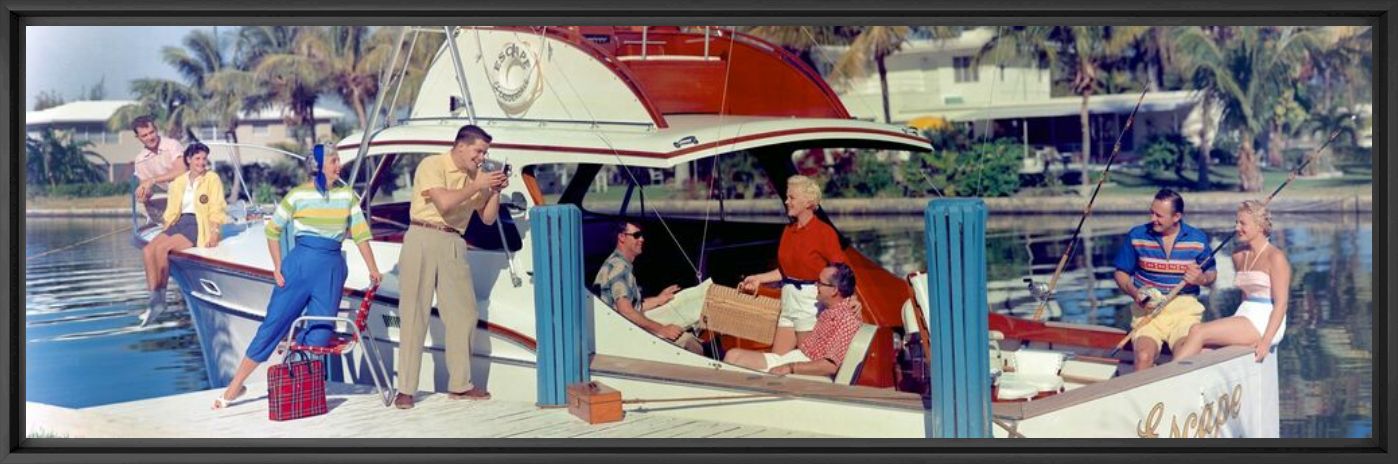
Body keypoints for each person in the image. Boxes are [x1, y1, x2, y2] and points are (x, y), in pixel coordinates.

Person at [212, 146, 383, 409]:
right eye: (333, 161)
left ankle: (305, 384)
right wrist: (277, 267)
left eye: (338, 160)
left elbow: (360, 233)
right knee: (272, 325)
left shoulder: (347, 195)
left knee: (321, 334)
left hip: (332, 269)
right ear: (317, 167)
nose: (339, 166)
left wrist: (373, 268)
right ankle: (235, 386)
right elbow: (272, 230)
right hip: (299, 265)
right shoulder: (297, 195)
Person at [393, 125, 508, 410]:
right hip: (422, 235)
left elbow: (489, 219)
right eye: (478, 150)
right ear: (460, 146)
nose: (482, 157)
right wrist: (478, 185)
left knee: (465, 314)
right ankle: (406, 389)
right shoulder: (432, 164)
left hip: (454, 242)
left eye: (485, 152)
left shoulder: (477, 178)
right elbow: (444, 203)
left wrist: (493, 191)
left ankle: (460, 384)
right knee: (414, 313)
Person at [737, 175, 848, 354]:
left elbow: (841, 273)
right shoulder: (788, 231)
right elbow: (785, 271)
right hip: (787, 299)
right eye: (787, 197)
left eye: (791, 198)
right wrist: (759, 278)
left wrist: (850, 301)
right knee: (777, 358)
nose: (787, 202)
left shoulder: (824, 233)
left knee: (809, 358)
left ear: (807, 202)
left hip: (809, 301)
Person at [1171, 201, 1290, 363]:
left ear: (1260, 226)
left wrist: (1265, 341)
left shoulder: (1275, 257)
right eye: (1236, 222)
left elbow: (1281, 304)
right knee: (1198, 348)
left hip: (1264, 320)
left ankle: (1166, 377)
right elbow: (1244, 294)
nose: (1236, 228)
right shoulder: (1238, 255)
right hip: (1244, 314)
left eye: (1243, 223)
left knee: (1198, 331)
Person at [1112, 188, 1217, 370]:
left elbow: (1212, 275)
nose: (1153, 219)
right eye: (1151, 212)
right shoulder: (1137, 235)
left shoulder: (1198, 239)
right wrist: (1134, 293)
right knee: (1144, 356)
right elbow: (1120, 273)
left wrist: (1200, 278)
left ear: (1176, 217)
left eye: (1159, 215)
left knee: (1183, 359)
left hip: (1184, 312)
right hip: (1147, 313)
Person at [139, 142, 226, 327]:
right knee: (148, 250)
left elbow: (217, 207)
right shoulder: (179, 182)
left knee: (163, 250)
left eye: (204, 158)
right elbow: (172, 210)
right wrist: (166, 227)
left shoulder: (212, 178)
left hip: (197, 223)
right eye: (197, 158)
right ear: (188, 159)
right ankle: (153, 297)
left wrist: (214, 232)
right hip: (178, 222)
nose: (202, 162)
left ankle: (161, 300)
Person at [723, 263, 864, 377]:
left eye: (820, 283)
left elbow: (830, 366)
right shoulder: (829, 308)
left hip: (807, 370)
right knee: (733, 356)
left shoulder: (847, 318)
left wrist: (791, 367)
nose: (815, 285)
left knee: (738, 367)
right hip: (796, 357)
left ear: (834, 291)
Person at [593, 220, 709, 354]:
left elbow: (632, 305)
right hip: (620, 340)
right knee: (688, 341)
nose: (642, 239)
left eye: (642, 235)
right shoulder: (620, 267)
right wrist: (662, 329)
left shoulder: (617, 263)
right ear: (622, 237)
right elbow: (625, 310)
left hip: (619, 334)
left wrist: (659, 299)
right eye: (636, 235)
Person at [130, 116, 188, 224]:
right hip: (172, 197)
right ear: (138, 137)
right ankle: (167, 224)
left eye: (151, 132)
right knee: (140, 204)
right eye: (144, 135)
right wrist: (143, 194)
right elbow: (146, 188)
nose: (150, 137)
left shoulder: (172, 145)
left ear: (156, 130)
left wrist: (153, 180)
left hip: (191, 192)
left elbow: (181, 170)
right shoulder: (139, 160)